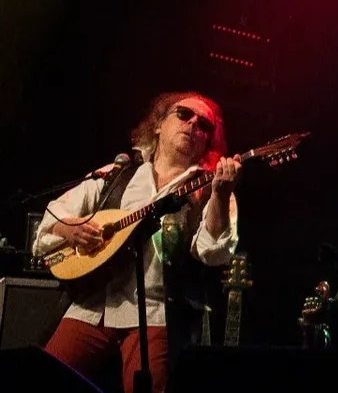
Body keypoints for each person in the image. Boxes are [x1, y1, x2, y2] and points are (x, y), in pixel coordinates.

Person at [33, 92, 241, 393]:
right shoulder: (115, 176)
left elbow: (213, 252)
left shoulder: (209, 188)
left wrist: (221, 195)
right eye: (184, 114)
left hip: (157, 312)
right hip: (93, 305)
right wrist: (69, 229)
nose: (194, 124)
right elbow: (54, 215)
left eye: (204, 125)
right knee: (41, 380)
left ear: (208, 141)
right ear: (158, 125)